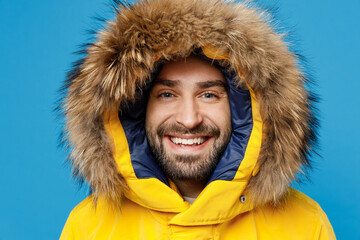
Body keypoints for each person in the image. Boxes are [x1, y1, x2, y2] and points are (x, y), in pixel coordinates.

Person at [59, 0, 336, 239]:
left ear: (246, 110)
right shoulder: (89, 228)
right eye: (167, 94)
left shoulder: (305, 225)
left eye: (209, 95)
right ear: (135, 107)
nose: (189, 120)